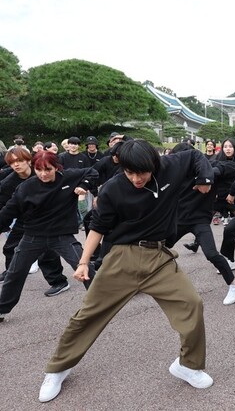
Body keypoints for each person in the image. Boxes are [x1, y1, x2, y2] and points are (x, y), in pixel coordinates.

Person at [37, 139, 215, 403]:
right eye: (129, 172)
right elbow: (98, 227)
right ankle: (58, 368)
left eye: (141, 173)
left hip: (159, 257)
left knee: (192, 303)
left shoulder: (171, 167)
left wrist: (205, 178)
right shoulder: (113, 189)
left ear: (154, 164)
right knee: (88, 313)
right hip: (122, 256)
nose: (135, 179)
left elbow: (194, 156)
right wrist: (84, 261)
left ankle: (188, 365)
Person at [0, 151, 97, 322]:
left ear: (56, 167)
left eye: (48, 169)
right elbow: (9, 210)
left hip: (62, 236)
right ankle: (2, 309)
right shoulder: (26, 187)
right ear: (34, 168)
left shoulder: (68, 177)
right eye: (39, 170)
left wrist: (85, 184)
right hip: (32, 237)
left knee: (85, 266)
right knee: (14, 273)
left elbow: (93, 171)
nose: (43, 174)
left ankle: (103, 302)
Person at [166, 143, 235, 305]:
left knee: (212, 254)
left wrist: (207, 176)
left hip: (199, 219)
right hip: (178, 220)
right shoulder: (173, 172)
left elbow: (232, 167)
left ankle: (234, 285)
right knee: (160, 249)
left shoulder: (208, 166)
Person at [0, 148, 69, 295]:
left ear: (28, 161)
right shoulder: (8, 183)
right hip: (24, 219)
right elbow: (4, 206)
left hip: (47, 219)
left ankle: (59, 281)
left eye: (19, 161)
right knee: (9, 247)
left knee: (46, 252)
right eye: (12, 163)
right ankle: (11, 274)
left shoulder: (41, 170)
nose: (16, 165)